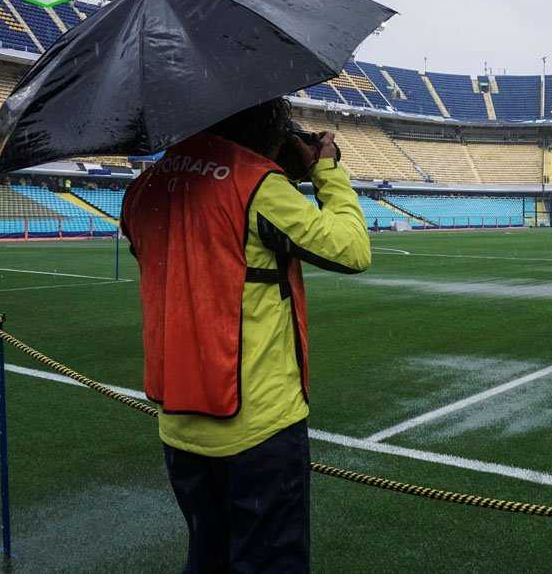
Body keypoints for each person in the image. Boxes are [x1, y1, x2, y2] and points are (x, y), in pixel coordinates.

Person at [121, 98, 371, 573]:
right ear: (267, 128)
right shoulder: (256, 184)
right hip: (258, 426)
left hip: (179, 422)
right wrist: (326, 172)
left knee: (207, 555)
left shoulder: (144, 187)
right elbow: (353, 250)